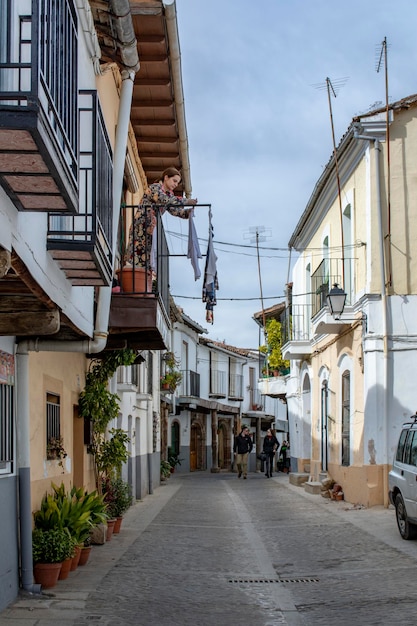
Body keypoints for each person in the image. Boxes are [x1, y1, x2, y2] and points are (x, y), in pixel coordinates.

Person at [126, 167, 198, 269]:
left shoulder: (169, 195)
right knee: (138, 254)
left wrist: (187, 213)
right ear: (166, 177)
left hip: (151, 227)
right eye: (174, 181)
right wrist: (186, 201)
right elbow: (163, 199)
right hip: (142, 225)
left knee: (147, 256)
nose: (175, 184)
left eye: (177, 183)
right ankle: (139, 278)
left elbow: (174, 211)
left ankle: (146, 279)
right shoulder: (155, 188)